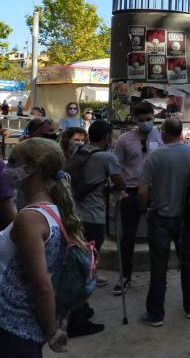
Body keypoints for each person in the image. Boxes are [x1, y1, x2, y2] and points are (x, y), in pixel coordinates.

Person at [0, 138, 83, 356]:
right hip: (23, 328)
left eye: (14, 161)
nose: (7, 166)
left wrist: (51, 332)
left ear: (32, 168)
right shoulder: (54, 210)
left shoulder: (30, 218)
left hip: (13, 329)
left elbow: (42, 285)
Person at [138, 118, 190, 326]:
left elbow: (142, 189)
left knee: (158, 265)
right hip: (186, 217)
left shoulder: (155, 156)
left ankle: (156, 314)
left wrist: (145, 208)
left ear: (164, 133)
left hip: (160, 217)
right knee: (188, 261)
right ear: (181, 132)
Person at [66, 120, 125, 338]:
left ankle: (79, 309)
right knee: (87, 268)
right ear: (107, 136)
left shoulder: (80, 151)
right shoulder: (107, 157)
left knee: (79, 265)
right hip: (94, 218)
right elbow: (121, 182)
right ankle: (77, 319)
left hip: (76, 216)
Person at [112, 101, 163, 295]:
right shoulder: (125, 139)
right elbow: (115, 166)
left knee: (157, 236)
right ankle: (125, 276)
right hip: (131, 191)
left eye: (148, 119)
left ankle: (158, 277)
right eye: (141, 120)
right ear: (135, 119)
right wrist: (120, 190)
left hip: (154, 192)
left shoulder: (161, 136)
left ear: (153, 117)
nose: (145, 123)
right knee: (128, 237)